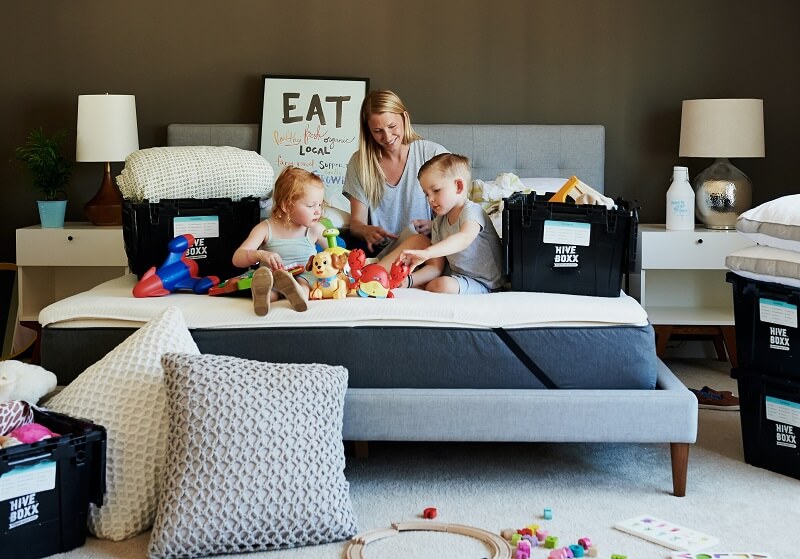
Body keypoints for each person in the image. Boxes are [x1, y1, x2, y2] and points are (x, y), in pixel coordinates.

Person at [343, 89, 449, 288]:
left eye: (392, 126)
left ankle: (373, 279)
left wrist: (434, 224)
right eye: (377, 131)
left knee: (425, 245)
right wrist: (366, 230)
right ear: (368, 130)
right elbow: (356, 223)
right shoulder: (360, 163)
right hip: (378, 251)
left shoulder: (432, 154)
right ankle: (373, 277)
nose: (387, 136)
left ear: (405, 118)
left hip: (422, 250)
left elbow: (456, 212)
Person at [400, 153, 505, 294]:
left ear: (459, 186)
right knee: (437, 282)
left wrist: (427, 253)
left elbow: (464, 238)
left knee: (442, 285)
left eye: (436, 190)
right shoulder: (438, 222)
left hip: (486, 283)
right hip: (458, 277)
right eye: (427, 194)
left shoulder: (472, 211)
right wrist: (408, 281)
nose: (430, 199)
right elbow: (435, 267)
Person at [232, 166, 328, 316]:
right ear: (286, 206)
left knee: (305, 281)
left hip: (305, 275)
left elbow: (336, 252)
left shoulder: (315, 229)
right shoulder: (265, 229)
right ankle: (263, 297)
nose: (318, 211)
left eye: (320, 204)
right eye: (311, 205)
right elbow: (237, 258)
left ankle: (298, 294)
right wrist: (260, 255)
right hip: (275, 277)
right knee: (271, 285)